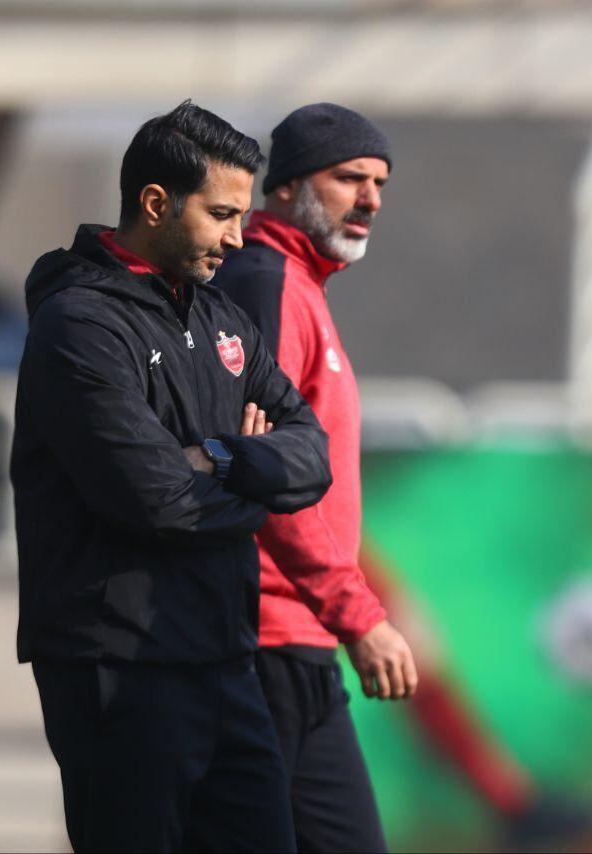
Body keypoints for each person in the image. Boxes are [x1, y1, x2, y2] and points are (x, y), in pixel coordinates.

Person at [11, 100, 332, 853]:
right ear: (155, 203)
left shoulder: (223, 319)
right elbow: (158, 501)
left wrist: (223, 459)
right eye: (221, 214)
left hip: (226, 660)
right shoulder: (79, 325)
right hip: (120, 668)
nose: (237, 237)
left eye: (241, 216)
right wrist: (257, 490)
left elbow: (311, 455)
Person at [216, 102, 415, 852]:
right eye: (350, 179)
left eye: (380, 183)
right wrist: (357, 616)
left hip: (295, 634)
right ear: (287, 184)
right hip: (266, 636)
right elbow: (258, 470)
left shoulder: (298, 284)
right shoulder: (265, 281)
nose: (371, 199)